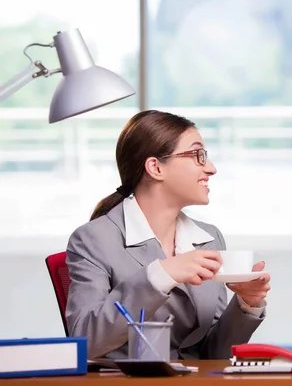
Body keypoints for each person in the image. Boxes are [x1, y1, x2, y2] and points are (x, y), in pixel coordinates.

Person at [66, 110, 270, 359]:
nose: (211, 168)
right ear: (155, 167)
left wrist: (246, 304)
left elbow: (211, 355)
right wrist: (161, 275)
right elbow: (84, 341)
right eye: (198, 155)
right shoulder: (93, 240)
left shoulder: (209, 238)